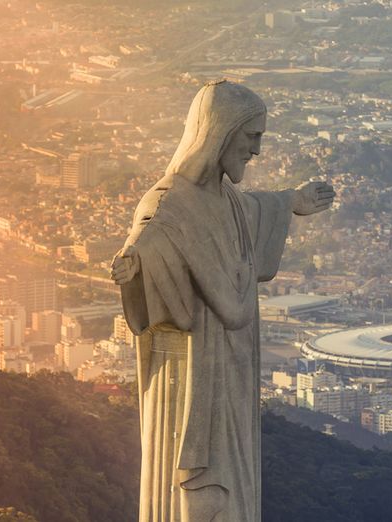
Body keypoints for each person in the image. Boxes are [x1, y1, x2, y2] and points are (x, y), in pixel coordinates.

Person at [111, 80, 334, 521]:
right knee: (202, 489)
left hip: (230, 372)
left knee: (234, 489)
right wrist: (132, 267)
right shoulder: (169, 203)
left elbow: (252, 211)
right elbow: (148, 240)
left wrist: (291, 201)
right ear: (220, 132)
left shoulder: (226, 198)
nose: (256, 150)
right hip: (194, 377)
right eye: (251, 137)